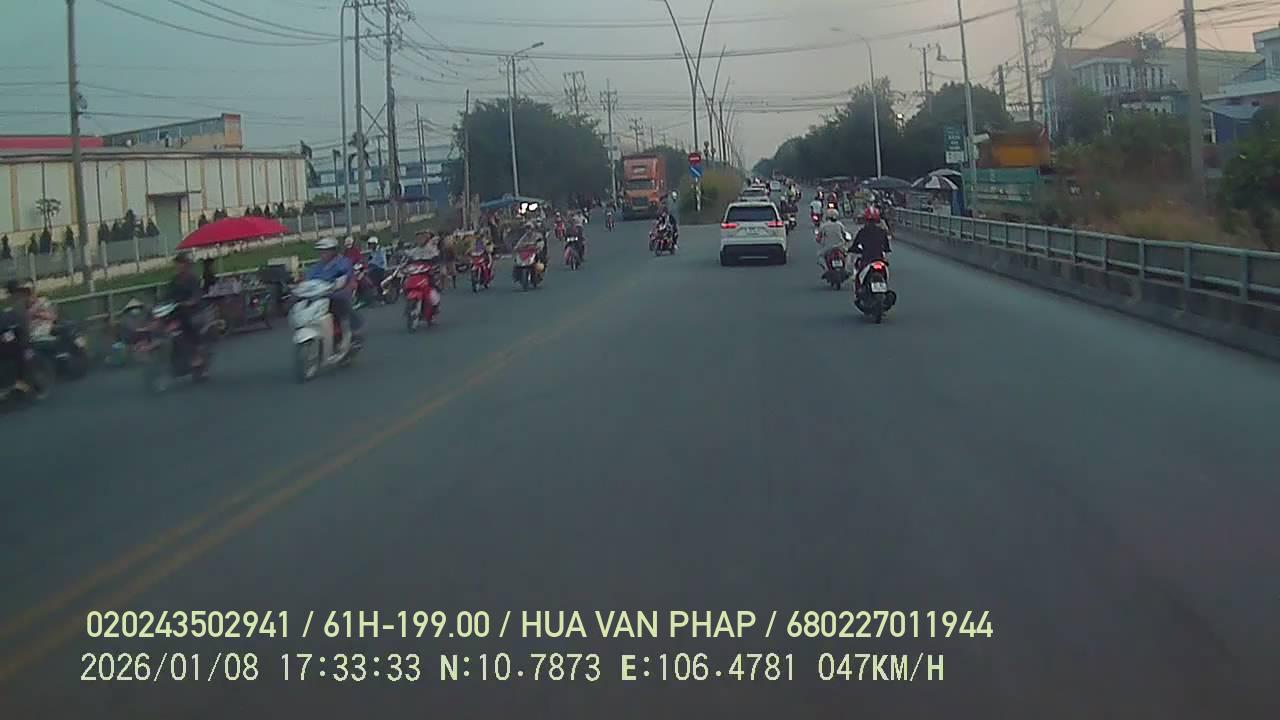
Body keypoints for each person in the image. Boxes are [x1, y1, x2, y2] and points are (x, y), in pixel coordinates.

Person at [305, 236, 360, 349]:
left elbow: (345, 277)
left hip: (339, 294)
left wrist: (336, 286)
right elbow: (309, 278)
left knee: (340, 306)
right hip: (320, 295)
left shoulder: (343, 262)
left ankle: (346, 336)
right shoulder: (318, 266)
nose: (322, 253)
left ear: (333, 251)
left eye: (325, 251)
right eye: (321, 251)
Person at [166, 252, 207, 366]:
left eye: (181, 263)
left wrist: (189, 303)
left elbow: (197, 295)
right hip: (176, 312)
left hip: (193, 312)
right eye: (178, 264)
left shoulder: (192, 279)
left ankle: (197, 354)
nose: (179, 266)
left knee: (189, 324)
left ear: (187, 265)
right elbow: (167, 295)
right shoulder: (174, 280)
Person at [851, 206, 892, 291]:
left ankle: (859, 292)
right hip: (879, 259)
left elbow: (855, 245)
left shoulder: (862, 232)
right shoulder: (882, 231)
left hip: (867, 259)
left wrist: (854, 249)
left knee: (858, 277)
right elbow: (887, 247)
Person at [815, 207, 850, 272]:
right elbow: (845, 234)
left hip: (828, 247)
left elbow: (818, 238)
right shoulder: (840, 224)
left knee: (820, 257)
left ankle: (826, 270)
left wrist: (819, 240)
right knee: (847, 255)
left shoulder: (823, 226)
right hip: (840, 247)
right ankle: (846, 269)